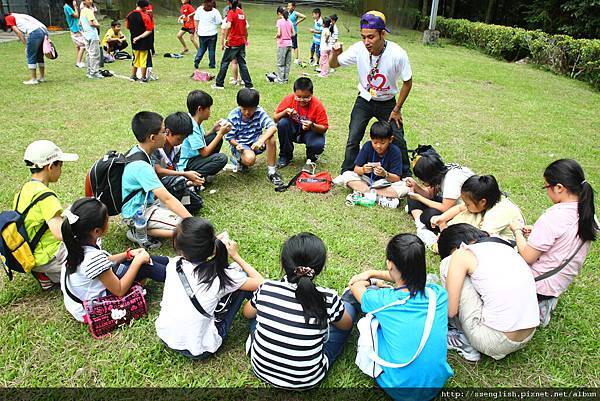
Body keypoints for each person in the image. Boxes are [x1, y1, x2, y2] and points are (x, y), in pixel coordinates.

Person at [347, 234, 453, 401]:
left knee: (372, 321)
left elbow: (355, 287)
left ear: (390, 264)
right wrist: (373, 273)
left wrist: (370, 280)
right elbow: (409, 276)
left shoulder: (384, 300)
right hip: (434, 385)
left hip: (398, 387)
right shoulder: (438, 295)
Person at [243, 233, 355, 390]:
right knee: (347, 310)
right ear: (320, 268)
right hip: (307, 380)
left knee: (257, 314)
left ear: (283, 262)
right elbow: (346, 326)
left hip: (260, 369)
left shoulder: (266, 288)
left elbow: (247, 313)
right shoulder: (329, 298)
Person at [156, 217, 263, 359]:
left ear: (180, 250)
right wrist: (236, 256)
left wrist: (210, 247)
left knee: (234, 279)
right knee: (242, 277)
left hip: (166, 335)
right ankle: (260, 316)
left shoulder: (174, 264)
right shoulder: (223, 277)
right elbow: (262, 283)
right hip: (200, 348)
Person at [509, 159, 597, 327]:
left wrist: (517, 231)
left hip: (538, 284)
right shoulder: (588, 214)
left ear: (559, 188)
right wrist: (536, 231)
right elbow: (566, 237)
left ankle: (533, 308)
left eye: (546, 187)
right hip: (558, 284)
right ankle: (542, 305)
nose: (547, 192)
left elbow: (528, 256)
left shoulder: (553, 217)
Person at [437, 224, 539, 362]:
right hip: (528, 334)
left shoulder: (461, 254)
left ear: (455, 247)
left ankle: (461, 338)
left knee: (447, 265)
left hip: (495, 342)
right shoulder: (504, 246)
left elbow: (450, 311)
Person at [330, 11, 413, 179]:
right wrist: (336, 53)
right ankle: (347, 172)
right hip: (365, 99)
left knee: (397, 138)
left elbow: (408, 82)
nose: (366, 42)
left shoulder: (398, 53)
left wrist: (397, 109)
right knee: (354, 136)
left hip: (388, 102)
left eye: (371, 37)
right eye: (363, 37)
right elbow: (333, 64)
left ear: (383, 34)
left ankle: (405, 175)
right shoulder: (359, 49)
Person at [61, 198, 167, 322]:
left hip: (81, 302)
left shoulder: (74, 244)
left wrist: (127, 254)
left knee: (136, 260)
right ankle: (176, 276)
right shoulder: (93, 258)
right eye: (107, 220)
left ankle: (173, 263)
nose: (109, 222)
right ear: (96, 231)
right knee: (144, 266)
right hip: (93, 309)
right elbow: (119, 290)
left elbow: (105, 261)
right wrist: (137, 262)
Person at [121, 111, 192, 247]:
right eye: (164, 132)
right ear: (153, 137)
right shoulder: (141, 166)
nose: (166, 135)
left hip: (144, 203)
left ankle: (142, 229)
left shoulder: (138, 151)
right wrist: (192, 222)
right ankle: (137, 229)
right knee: (186, 229)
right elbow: (167, 198)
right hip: (138, 212)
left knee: (182, 208)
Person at [14, 140, 78, 289]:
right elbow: (60, 233)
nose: (61, 169)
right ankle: (54, 273)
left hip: (31, 253)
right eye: (60, 165)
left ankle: (44, 274)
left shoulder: (23, 191)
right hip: (48, 256)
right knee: (88, 251)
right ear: (50, 167)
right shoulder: (46, 196)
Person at [405, 149, 474, 247]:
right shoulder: (440, 171)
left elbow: (445, 208)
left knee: (428, 215)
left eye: (421, 179)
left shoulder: (451, 179)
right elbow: (430, 194)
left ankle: (421, 223)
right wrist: (415, 186)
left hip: (463, 211)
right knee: (412, 195)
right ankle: (419, 224)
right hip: (450, 204)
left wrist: (420, 198)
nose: (421, 181)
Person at [430, 175, 524, 241]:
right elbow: (459, 208)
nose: (465, 206)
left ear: (483, 202)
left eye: (467, 204)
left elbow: (479, 240)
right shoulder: (490, 200)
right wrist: (442, 218)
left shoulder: (497, 213)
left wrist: (446, 237)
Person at [339, 121, 408, 209]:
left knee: (405, 187)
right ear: (371, 139)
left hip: (385, 183)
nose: (378, 146)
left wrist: (385, 174)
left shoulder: (395, 151)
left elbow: (396, 178)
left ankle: (364, 192)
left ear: (390, 139)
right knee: (346, 175)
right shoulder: (367, 146)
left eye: (382, 143)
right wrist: (363, 170)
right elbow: (356, 169)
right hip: (367, 180)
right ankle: (379, 197)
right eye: (375, 142)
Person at [225, 88, 283, 186]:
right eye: (244, 109)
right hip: (241, 144)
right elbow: (230, 137)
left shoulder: (259, 112)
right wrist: (237, 145)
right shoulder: (233, 116)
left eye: (251, 109)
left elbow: (273, 127)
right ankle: (240, 162)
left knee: (271, 138)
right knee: (250, 159)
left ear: (256, 107)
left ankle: (272, 172)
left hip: (256, 141)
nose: (247, 112)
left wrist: (261, 140)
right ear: (239, 106)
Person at [151, 112, 205, 210]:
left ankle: (175, 202)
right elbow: (158, 171)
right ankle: (162, 205)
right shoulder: (156, 148)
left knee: (197, 204)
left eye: (183, 139)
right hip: (157, 187)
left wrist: (188, 181)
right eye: (179, 139)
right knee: (178, 182)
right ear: (167, 132)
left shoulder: (176, 148)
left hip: (172, 183)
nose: (181, 142)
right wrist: (184, 174)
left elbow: (174, 168)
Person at [274, 77, 328, 171]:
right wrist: (285, 112)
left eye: (306, 97)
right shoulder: (289, 99)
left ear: (312, 93)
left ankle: (311, 158)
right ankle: (285, 156)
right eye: (298, 97)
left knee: (317, 144)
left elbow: (324, 128)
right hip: (293, 128)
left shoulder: (317, 105)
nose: (302, 100)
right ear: (294, 93)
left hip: (310, 131)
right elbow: (275, 118)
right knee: (282, 123)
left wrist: (312, 125)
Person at [178, 90, 230, 179]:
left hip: (194, 155)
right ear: (200, 109)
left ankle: (207, 171)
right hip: (187, 164)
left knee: (214, 137)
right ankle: (195, 176)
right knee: (221, 158)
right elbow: (204, 153)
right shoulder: (191, 127)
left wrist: (214, 130)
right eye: (208, 108)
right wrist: (220, 133)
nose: (210, 111)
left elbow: (201, 138)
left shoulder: (193, 119)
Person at [213, 0, 252, 89]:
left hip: (233, 42)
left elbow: (229, 25)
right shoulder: (242, 12)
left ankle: (219, 84)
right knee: (242, 63)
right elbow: (245, 28)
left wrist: (226, 39)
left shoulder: (231, 12)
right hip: (241, 42)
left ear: (229, 2)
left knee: (225, 62)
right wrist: (245, 39)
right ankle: (248, 85)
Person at [1, 13, 49, 84]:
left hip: (35, 32)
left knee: (30, 55)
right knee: (39, 56)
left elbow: (18, 33)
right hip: (43, 31)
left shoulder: (8, 18)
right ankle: (42, 77)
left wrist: (26, 46)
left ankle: (33, 79)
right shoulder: (16, 15)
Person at [126, 0, 154, 83]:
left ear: (136, 5)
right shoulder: (145, 16)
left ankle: (133, 76)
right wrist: (139, 37)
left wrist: (135, 37)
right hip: (144, 41)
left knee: (135, 58)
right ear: (145, 7)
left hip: (133, 41)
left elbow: (128, 27)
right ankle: (143, 77)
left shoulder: (129, 15)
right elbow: (149, 30)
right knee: (143, 59)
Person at [193, 0, 222, 70]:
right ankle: (212, 64)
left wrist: (196, 30)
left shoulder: (199, 9)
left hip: (202, 33)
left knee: (201, 48)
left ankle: (197, 60)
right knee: (211, 50)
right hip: (212, 33)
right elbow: (219, 22)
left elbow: (196, 19)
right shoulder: (215, 11)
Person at [79, 0, 103, 79]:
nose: (90, 1)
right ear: (84, 2)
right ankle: (94, 72)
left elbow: (79, 23)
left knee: (89, 53)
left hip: (86, 34)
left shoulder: (82, 11)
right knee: (94, 54)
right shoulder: (88, 11)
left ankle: (89, 71)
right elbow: (91, 23)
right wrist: (98, 25)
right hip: (92, 35)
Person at [63, 0, 86, 68]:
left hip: (76, 28)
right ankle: (78, 62)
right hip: (75, 29)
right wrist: (75, 6)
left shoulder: (67, 6)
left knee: (78, 46)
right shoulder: (67, 7)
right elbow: (76, 15)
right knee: (83, 45)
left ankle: (78, 61)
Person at [274, 6, 293, 83]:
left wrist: (276, 36)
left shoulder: (279, 21)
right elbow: (293, 33)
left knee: (281, 63)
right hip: (289, 43)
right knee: (287, 62)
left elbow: (279, 33)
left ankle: (280, 79)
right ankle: (285, 79)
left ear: (279, 13)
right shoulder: (290, 21)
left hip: (282, 44)